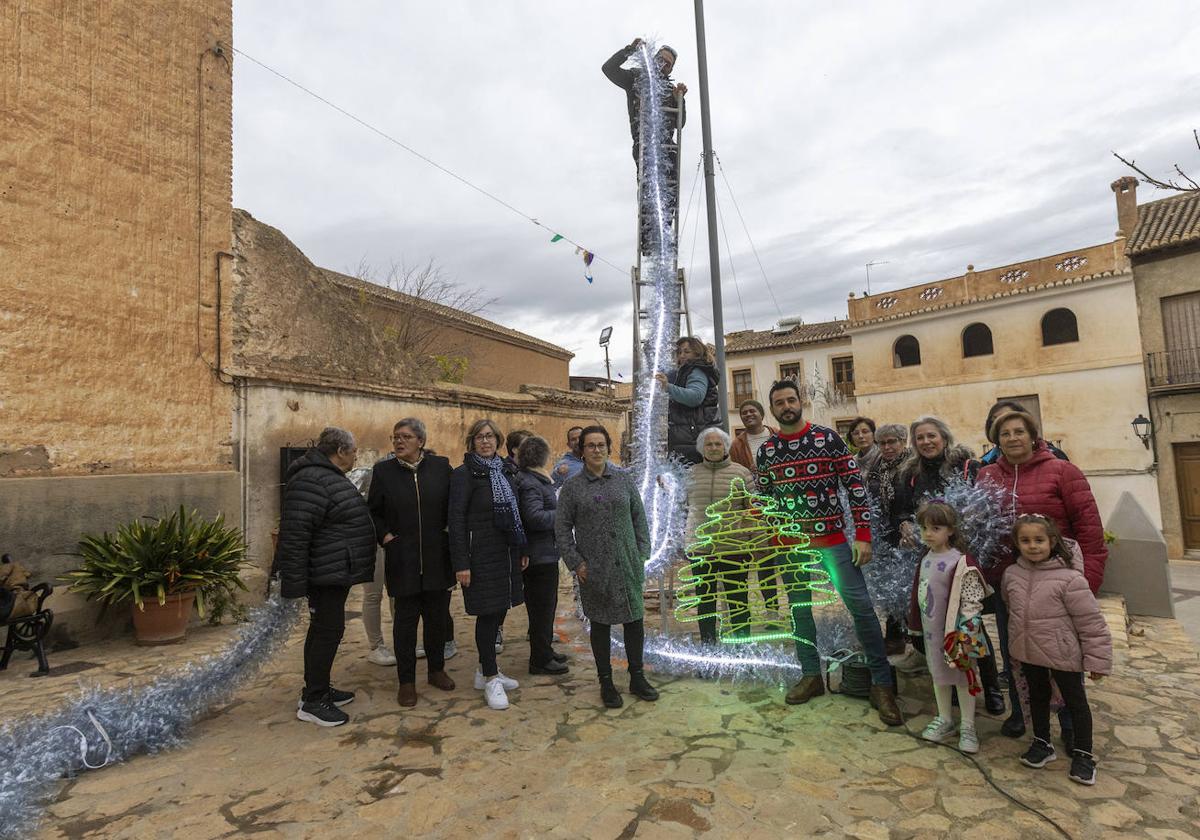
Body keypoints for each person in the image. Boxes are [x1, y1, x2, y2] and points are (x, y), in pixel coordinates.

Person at [756, 380, 902, 725]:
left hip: (833, 542)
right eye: (779, 402)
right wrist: (766, 527)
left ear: (800, 402)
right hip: (789, 547)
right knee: (800, 611)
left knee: (862, 608)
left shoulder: (828, 439)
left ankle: (882, 684)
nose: (786, 406)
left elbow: (854, 488)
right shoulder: (767, 451)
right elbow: (764, 499)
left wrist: (863, 536)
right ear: (773, 408)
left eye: (791, 399)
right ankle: (811, 676)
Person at [977, 409, 1108, 738]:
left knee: (1063, 655)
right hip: (1013, 583)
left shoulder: (1063, 472)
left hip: (1060, 584)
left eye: (1019, 431)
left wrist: (1086, 583)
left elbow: (1090, 531)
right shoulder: (987, 476)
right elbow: (979, 528)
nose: (1012, 438)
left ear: (1033, 435)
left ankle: (1069, 724)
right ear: (997, 441)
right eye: (1005, 434)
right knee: (1016, 654)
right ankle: (1023, 714)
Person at [892, 416, 1003, 715]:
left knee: (968, 623)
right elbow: (901, 508)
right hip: (926, 555)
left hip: (959, 557)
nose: (926, 442)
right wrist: (904, 524)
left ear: (944, 437)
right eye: (920, 438)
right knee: (935, 623)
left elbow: (983, 506)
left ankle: (991, 687)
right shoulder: (909, 473)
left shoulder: (966, 465)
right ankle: (952, 685)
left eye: (931, 436)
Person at [275, 427, 376, 727]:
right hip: (324, 573)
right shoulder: (312, 479)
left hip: (334, 570)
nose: (356, 454)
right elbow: (295, 535)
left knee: (327, 630)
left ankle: (317, 688)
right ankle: (313, 700)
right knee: (325, 632)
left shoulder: (325, 476)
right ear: (341, 451)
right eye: (354, 449)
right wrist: (293, 584)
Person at [1002, 514, 1112, 785]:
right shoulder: (1011, 574)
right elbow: (1010, 606)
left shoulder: (1070, 579)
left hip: (1064, 655)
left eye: (1039, 540)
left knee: (1076, 702)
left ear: (1052, 541)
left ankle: (1084, 755)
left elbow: (1091, 623)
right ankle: (1042, 742)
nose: (1033, 546)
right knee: (1037, 697)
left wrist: (1097, 661)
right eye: (1025, 540)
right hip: (1029, 653)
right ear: (1017, 543)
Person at [556, 425, 658, 708]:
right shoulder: (572, 487)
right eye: (591, 445)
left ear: (608, 447)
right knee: (600, 624)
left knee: (634, 620)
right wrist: (576, 563)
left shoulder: (624, 480)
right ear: (582, 450)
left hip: (627, 562)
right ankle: (606, 682)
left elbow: (639, 517)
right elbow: (562, 529)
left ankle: (637, 676)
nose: (597, 450)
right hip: (594, 568)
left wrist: (641, 553)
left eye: (601, 445)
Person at [367, 418, 456, 707]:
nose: (398, 442)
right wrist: (386, 537)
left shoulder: (441, 468)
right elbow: (373, 512)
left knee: (436, 620)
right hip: (402, 559)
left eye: (405, 437)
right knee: (404, 624)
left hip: (436, 558)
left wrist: (449, 533)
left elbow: (454, 505)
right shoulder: (383, 471)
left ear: (421, 441)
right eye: (395, 437)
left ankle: (436, 670)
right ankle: (406, 682)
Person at [449, 419, 528, 711]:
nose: (486, 442)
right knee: (487, 613)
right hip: (479, 555)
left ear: (498, 441)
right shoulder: (464, 475)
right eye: (480, 437)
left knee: (499, 611)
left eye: (491, 437)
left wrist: (522, 549)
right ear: (472, 442)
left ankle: (485, 671)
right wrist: (461, 563)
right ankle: (491, 677)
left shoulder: (506, 471)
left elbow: (517, 512)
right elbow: (455, 521)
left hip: (506, 552)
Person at [907, 502, 991, 754]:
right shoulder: (926, 559)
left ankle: (967, 725)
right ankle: (945, 718)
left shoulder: (961, 562)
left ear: (951, 530)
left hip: (957, 635)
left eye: (936, 528)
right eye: (923, 528)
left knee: (963, 677)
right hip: (932, 633)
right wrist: (915, 626)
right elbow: (919, 593)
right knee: (938, 675)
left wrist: (966, 631)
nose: (928, 533)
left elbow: (972, 599)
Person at [684, 427, 753, 644]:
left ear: (725, 446)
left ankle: (743, 649)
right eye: (708, 444)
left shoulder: (741, 473)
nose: (713, 448)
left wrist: (749, 538)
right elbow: (680, 505)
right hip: (701, 549)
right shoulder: (691, 474)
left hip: (734, 548)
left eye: (717, 444)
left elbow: (752, 509)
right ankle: (708, 648)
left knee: (738, 601)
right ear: (701, 448)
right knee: (705, 602)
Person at [512, 435, 569, 675]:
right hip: (538, 556)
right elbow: (534, 517)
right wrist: (563, 516)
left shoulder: (537, 478)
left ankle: (545, 651)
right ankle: (539, 660)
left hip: (546, 552)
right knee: (541, 609)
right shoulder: (530, 482)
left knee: (547, 607)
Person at [655, 336, 721, 464]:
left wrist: (668, 387)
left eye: (686, 351)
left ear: (697, 353)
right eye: (679, 352)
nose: (682, 355)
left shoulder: (696, 370)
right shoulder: (685, 371)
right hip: (689, 439)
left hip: (693, 439)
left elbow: (695, 397)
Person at [980, 400, 1069, 465]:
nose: (1000, 424)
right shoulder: (987, 462)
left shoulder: (1055, 456)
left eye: (1008, 418)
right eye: (995, 420)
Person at [729, 399, 776, 475]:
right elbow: (734, 472)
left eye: (752, 411)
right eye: (744, 413)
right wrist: (748, 472)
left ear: (761, 415)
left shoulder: (776, 434)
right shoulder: (736, 445)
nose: (748, 414)